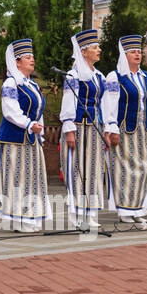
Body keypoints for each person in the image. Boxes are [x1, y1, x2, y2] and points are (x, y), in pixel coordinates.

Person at [103, 34, 147, 229]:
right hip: (124, 129)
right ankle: (126, 210)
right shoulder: (116, 77)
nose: (137, 55)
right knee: (126, 169)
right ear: (124, 55)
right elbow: (109, 104)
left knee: (146, 167)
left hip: (143, 129)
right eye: (132, 52)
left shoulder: (146, 76)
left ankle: (138, 209)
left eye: (139, 52)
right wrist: (111, 127)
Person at [0, 38, 49, 231]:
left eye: (32, 56)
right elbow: (9, 111)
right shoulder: (11, 83)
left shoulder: (31, 84)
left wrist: (38, 129)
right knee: (16, 179)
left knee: (31, 179)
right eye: (27, 57)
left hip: (31, 140)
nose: (32, 60)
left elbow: (38, 111)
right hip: (14, 140)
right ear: (17, 62)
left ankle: (29, 217)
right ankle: (17, 220)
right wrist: (28, 124)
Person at [59, 28, 110, 230]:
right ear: (83, 52)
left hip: (94, 128)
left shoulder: (99, 76)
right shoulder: (74, 75)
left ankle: (91, 212)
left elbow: (104, 104)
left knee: (94, 170)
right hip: (78, 128)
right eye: (95, 47)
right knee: (76, 170)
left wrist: (106, 127)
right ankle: (75, 214)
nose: (99, 50)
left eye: (98, 46)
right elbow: (68, 102)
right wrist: (69, 129)